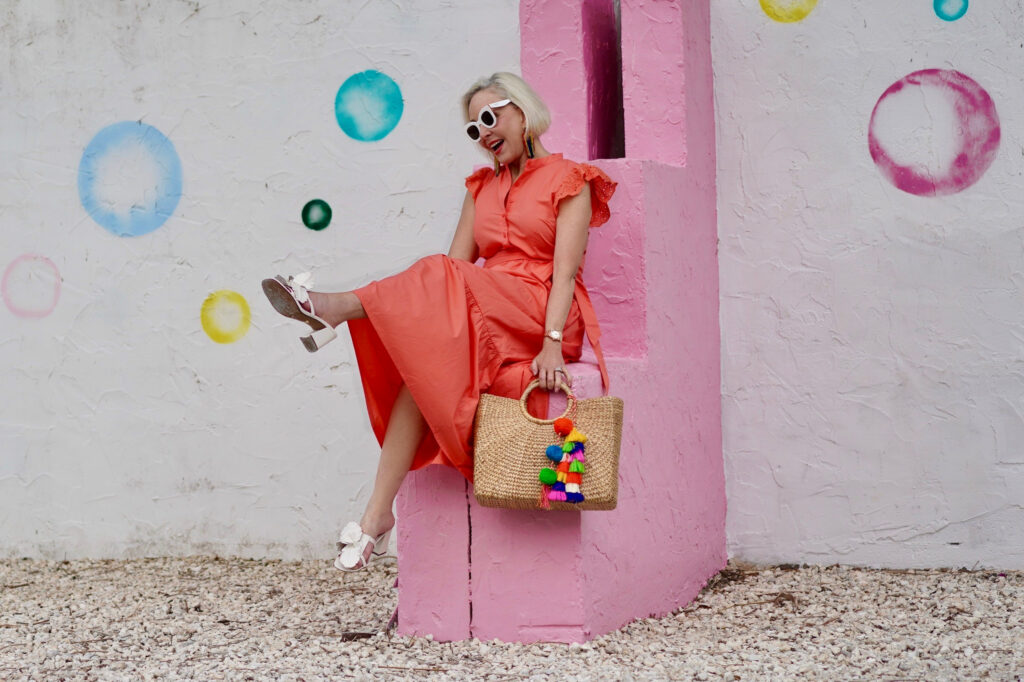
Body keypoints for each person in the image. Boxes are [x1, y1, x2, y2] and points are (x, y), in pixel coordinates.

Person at [262, 72, 616, 571]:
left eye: (490, 118)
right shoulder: (481, 189)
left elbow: (564, 275)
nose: (484, 133)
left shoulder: (570, 180)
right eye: (473, 129)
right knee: (418, 369)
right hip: (489, 306)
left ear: (523, 112)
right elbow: (456, 268)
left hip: (542, 308)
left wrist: (552, 343)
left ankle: (335, 308)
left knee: (438, 278)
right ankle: (374, 519)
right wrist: (429, 333)